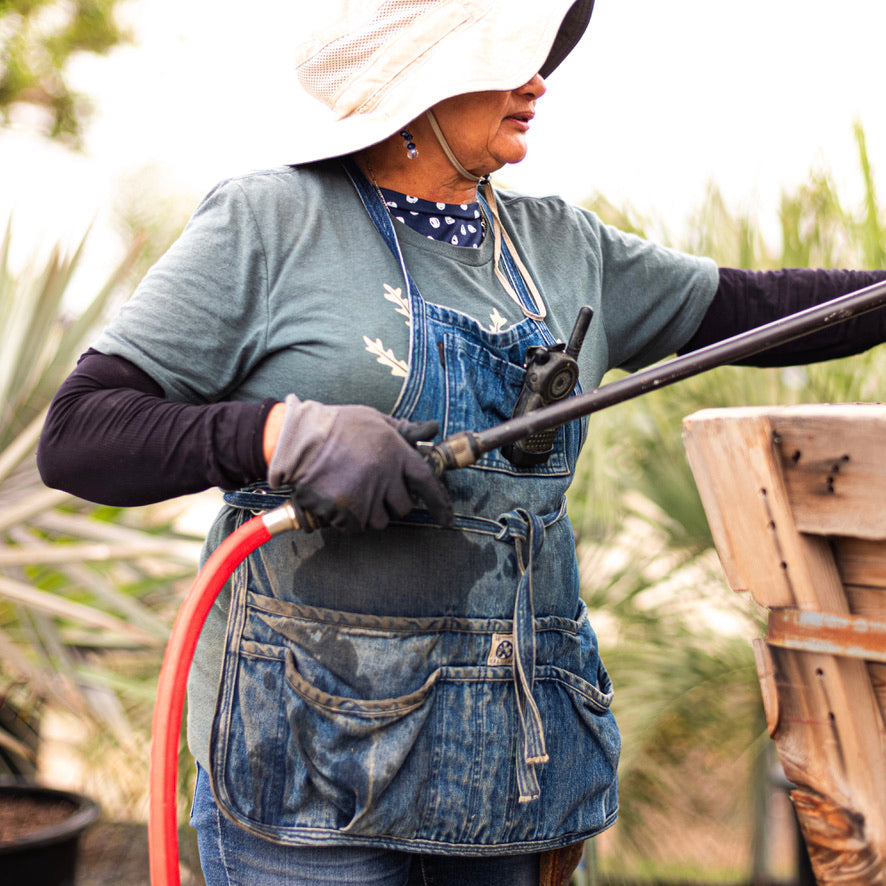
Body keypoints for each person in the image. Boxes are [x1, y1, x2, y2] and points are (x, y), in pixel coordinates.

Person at [36, 2, 886, 884]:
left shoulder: (562, 246)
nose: (536, 81)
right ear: (421, 79)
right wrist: (282, 431)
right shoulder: (272, 221)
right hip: (310, 767)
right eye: (507, 57)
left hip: (515, 764)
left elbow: (759, 308)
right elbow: (81, 434)